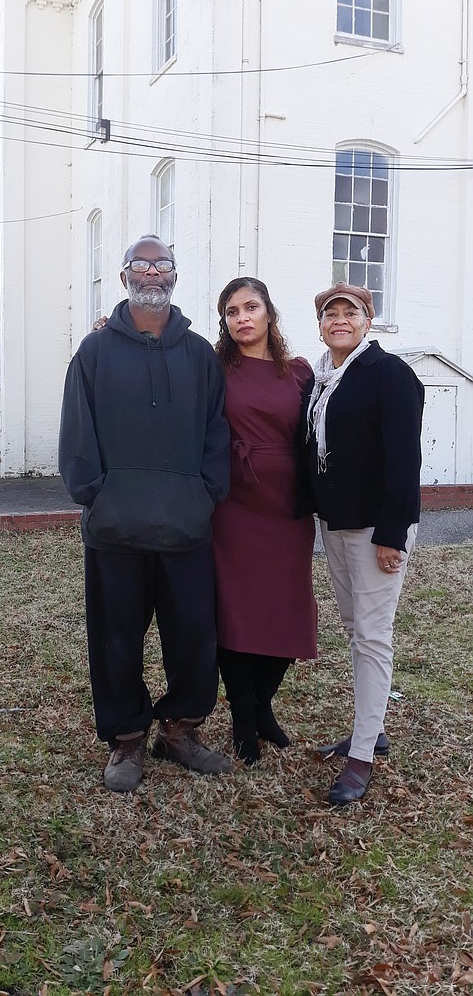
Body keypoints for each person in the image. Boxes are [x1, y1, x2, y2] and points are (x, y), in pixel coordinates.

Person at [59, 234, 232, 793]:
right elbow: (78, 433)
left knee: (193, 636)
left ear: (176, 275)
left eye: (163, 265)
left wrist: (206, 493)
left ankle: (180, 730)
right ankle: (127, 739)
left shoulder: (200, 352)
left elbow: (215, 430)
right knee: (115, 638)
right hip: (115, 529)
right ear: (124, 274)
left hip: (186, 525)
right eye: (142, 264)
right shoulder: (95, 352)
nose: (152, 273)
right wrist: (95, 493)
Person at [304, 281, 424, 806]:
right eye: (331, 313)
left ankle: (362, 758)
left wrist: (393, 534)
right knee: (355, 630)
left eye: (350, 312)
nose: (340, 320)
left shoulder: (388, 374)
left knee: (373, 637)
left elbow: (404, 460)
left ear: (367, 321)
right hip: (335, 523)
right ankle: (369, 730)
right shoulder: (324, 377)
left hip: (377, 528)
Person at [212, 278, 318, 765]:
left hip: (286, 508)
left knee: (286, 608)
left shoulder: (299, 373)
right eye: (232, 311)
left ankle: (264, 706)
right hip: (233, 507)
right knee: (236, 612)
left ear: (269, 314)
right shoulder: (214, 369)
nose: (242, 318)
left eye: (250, 307)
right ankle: (242, 718)